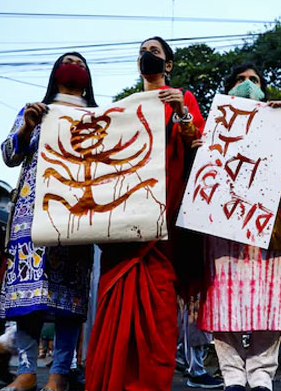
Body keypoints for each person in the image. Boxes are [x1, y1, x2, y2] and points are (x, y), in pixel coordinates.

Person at [85, 36, 206, 391]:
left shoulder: (182, 98)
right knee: (115, 307)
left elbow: (197, 142)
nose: (146, 56)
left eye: (154, 51)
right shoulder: (122, 108)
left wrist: (181, 111)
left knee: (161, 311)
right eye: (142, 52)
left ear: (168, 65)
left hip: (165, 225)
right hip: (125, 226)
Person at [197, 63, 281, 391]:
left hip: (267, 229)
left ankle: (262, 377)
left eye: (255, 81)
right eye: (240, 80)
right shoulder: (214, 130)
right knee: (223, 303)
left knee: (270, 302)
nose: (248, 85)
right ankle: (233, 376)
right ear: (228, 88)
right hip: (223, 232)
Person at [0, 52, 96, 391]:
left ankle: (58, 376)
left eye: (82, 64)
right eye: (69, 62)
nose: (75, 67)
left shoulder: (97, 118)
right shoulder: (33, 112)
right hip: (30, 218)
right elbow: (10, 155)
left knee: (70, 303)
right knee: (28, 301)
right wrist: (27, 125)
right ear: (55, 73)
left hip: (75, 218)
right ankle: (25, 373)